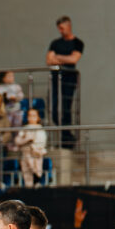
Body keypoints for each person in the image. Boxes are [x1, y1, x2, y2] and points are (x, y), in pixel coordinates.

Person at [46, 16, 84, 148]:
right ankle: (68, 136)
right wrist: (65, 58)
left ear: (69, 26)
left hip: (69, 79)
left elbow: (74, 59)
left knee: (66, 109)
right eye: (59, 28)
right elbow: (49, 60)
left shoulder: (77, 43)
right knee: (53, 109)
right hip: (55, 79)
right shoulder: (55, 43)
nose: (60, 31)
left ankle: (66, 141)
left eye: (62, 28)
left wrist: (57, 57)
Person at [12, 108, 47, 187]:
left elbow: (41, 143)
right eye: (30, 115)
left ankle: (37, 184)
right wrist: (27, 139)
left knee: (36, 172)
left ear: (38, 117)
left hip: (36, 154)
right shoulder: (24, 129)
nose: (31, 118)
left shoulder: (40, 129)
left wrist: (31, 144)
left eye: (34, 116)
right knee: (27, 176)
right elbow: (18, 141)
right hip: (25, 154)